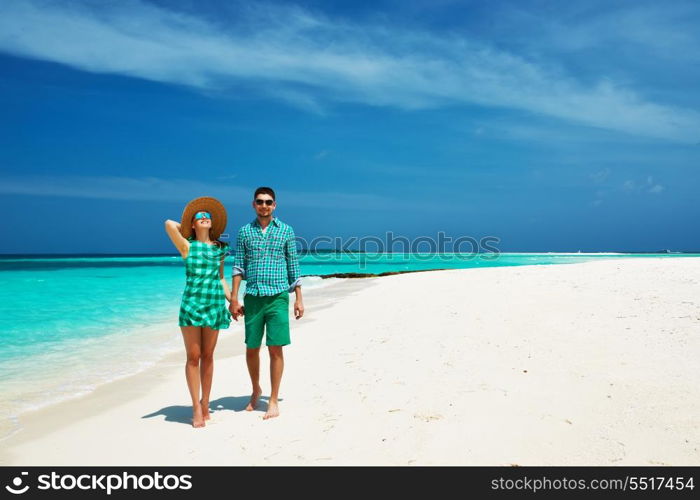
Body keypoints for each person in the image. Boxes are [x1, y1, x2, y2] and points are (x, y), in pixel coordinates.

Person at [229, 187, 304, 420]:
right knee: (251, 348)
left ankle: (273, 399)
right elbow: (239, 266)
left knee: (275, 348)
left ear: (275, 205)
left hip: (278, 297)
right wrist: (233, 298)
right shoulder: (244, 232)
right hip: (252, 296)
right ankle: (256, 390)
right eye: (260, 202)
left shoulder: (286, 231)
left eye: (268, 202)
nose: (264, 205)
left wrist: (299, 298)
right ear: (253, 204)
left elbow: (293, 266)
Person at [164, 196, 232, 428]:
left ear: (213, 224)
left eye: (208, 216)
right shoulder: (186, 246)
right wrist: (187, 226)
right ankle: (195, 406)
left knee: (209, 356)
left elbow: (221, 277)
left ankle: (206, 402)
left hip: (214, 303)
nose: (204, 217)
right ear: (192, 224)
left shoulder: (220, 249)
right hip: (192, 304)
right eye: (199, 217)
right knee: (193, 357)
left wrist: (233, 299)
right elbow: (168, 224)